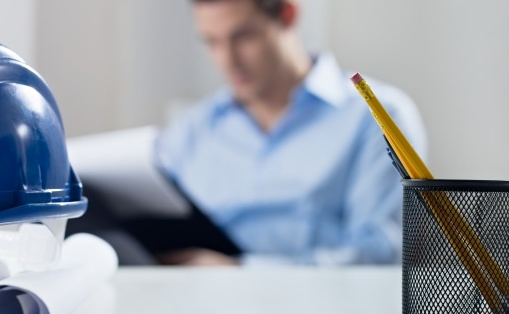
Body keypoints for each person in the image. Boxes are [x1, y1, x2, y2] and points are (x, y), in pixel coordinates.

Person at [154, 0, 427, 265]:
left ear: (288, 14)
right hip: (196, 300)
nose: (228, 60)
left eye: (244, 37)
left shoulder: (376, 117)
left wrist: (241, 272)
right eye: (211, 42)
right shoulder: (191, 129)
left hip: (323, 305)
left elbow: (381, 251)